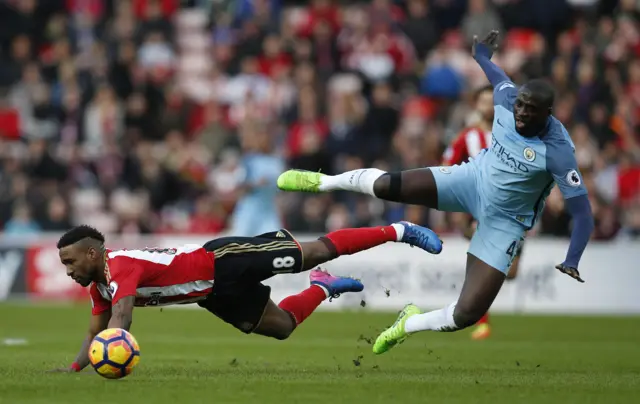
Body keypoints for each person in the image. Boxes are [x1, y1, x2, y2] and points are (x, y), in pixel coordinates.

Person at [276, 30, 594, 354]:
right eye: (521, 105)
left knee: (466, 313)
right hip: (471, 180)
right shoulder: (507, 98)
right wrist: (482, 56)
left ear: (548, 113)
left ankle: (408, 323)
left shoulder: (558, 151)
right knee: (388, 185)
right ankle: (322, 181)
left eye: (530, 110)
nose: (521, 113)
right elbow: (498, 76)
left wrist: (573, 257)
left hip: (505, 222)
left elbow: (582, 212)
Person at [52, 220, 442, 372]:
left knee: (315, 251)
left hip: (224, 260)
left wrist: (114, 357)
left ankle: (398, 230)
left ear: (92, 252)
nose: (68, 271)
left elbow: (122, 321)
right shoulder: (99, 286)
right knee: (281, 327)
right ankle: (323, 286)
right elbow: (95, 332)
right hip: (211, 294)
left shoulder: (118, 266)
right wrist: (72, 371)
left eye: (70, 261)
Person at [443, 85, 523, 340]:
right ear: (477, 106)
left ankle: (478, 314)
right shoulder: (467, 137)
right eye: (483, 102)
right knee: (482, 263)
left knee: (510, 273)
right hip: (480, 210)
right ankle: (481, 322)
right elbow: (447, 168)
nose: (488, 107)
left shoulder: (515, 135)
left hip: (513, 212)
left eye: (492, 102)